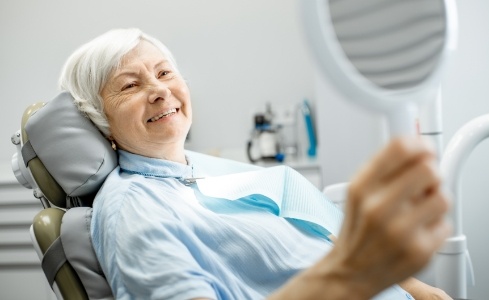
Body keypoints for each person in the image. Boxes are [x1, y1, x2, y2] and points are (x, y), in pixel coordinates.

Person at [59, 28, 452, 299]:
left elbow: (314, 236)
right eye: (130, 85)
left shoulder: (199, 170)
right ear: (100, 119)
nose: (160, 90)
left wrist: (416, 288)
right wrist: (353, 268)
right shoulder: (134, 209)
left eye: (164, 73)